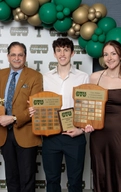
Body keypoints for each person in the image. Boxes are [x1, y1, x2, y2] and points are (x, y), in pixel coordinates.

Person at [30, 37, 89, 192]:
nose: (62, 54)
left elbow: (87, 107)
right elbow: (39, 104)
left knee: (75, 181)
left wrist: (81, 130)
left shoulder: (83, 77)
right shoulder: (44, 78)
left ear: (72, 53)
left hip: (75, 135)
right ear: (54, 54)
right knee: (52, 180)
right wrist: (33, 110)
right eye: (59, 50)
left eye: (66, 50)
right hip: (51, 136)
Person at [0, 41, 43, 192]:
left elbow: (34, 108)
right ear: (8, 56)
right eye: (13, 54)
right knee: (11, 178)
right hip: (4, 134)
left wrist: (13, 118)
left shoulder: (35, 76)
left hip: (26, 133)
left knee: (27, 178)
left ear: (25, 56)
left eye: (20, 55)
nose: (16, 58)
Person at [85, 40, 121, 192]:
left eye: (113, 53)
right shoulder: (94, 78)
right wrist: (87, 122)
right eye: (106, 54)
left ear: (120, 56)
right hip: (99, 134)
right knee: (101, 172)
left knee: (120, 171)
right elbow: (88, 106)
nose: (109, 58)